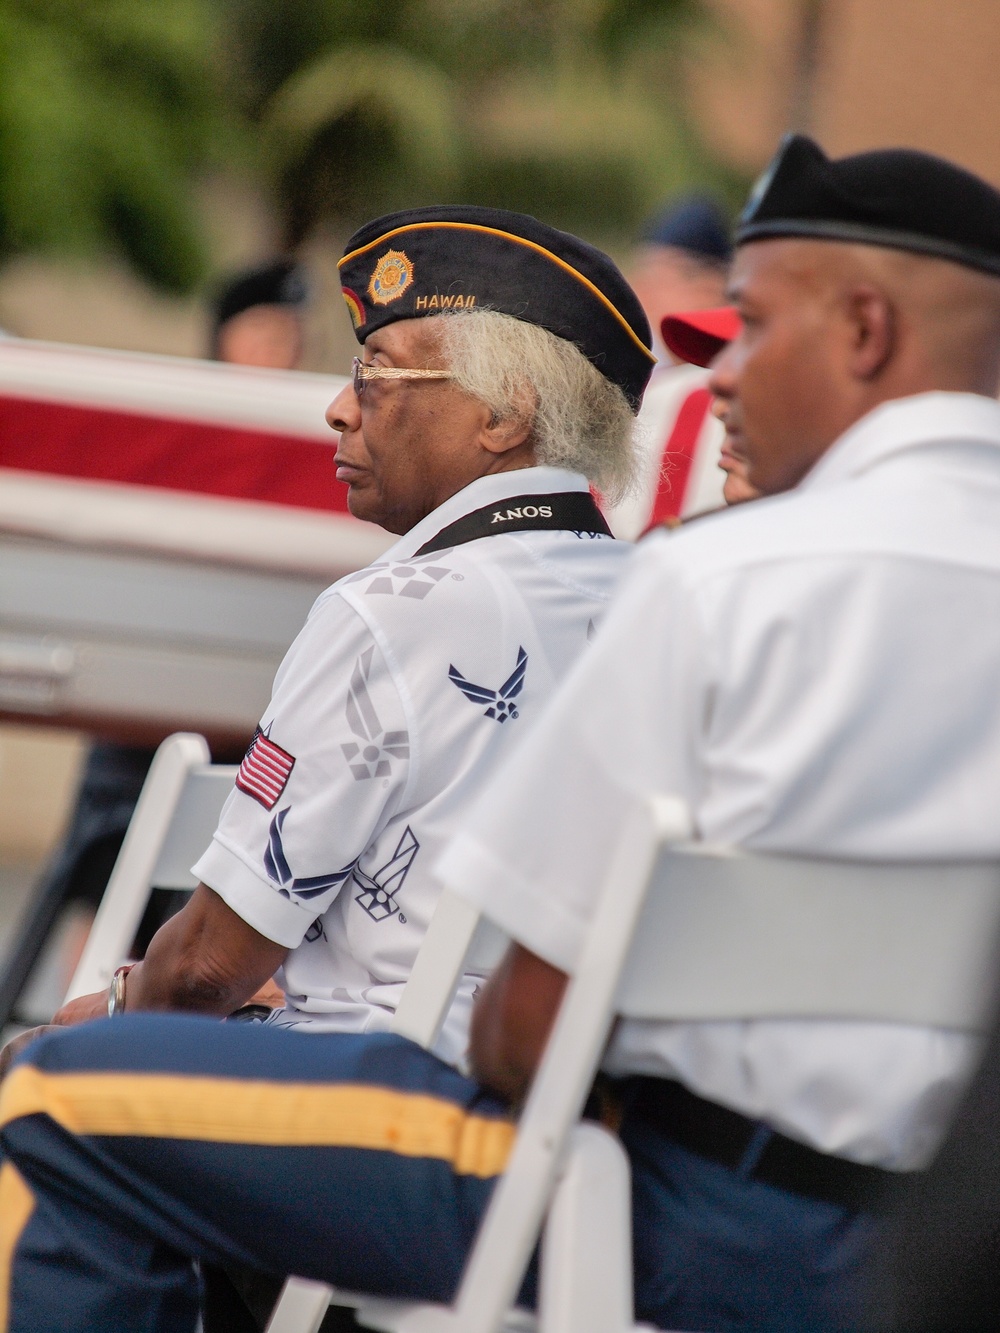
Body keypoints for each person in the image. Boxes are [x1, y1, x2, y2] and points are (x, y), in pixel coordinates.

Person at [5, 136, 1000, 1332]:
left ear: (863, 333)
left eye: (754, 325)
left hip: (643, 1204)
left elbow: (521, 1033)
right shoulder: (647, 575)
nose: (722, 374)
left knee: (51, 1097)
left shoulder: (713, 585)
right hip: (933, 1242)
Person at [608, 195, 733, 536]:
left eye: (656, 278)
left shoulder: (723, 386)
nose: (639, 293)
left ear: (711, 287)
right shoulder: (639, 371)